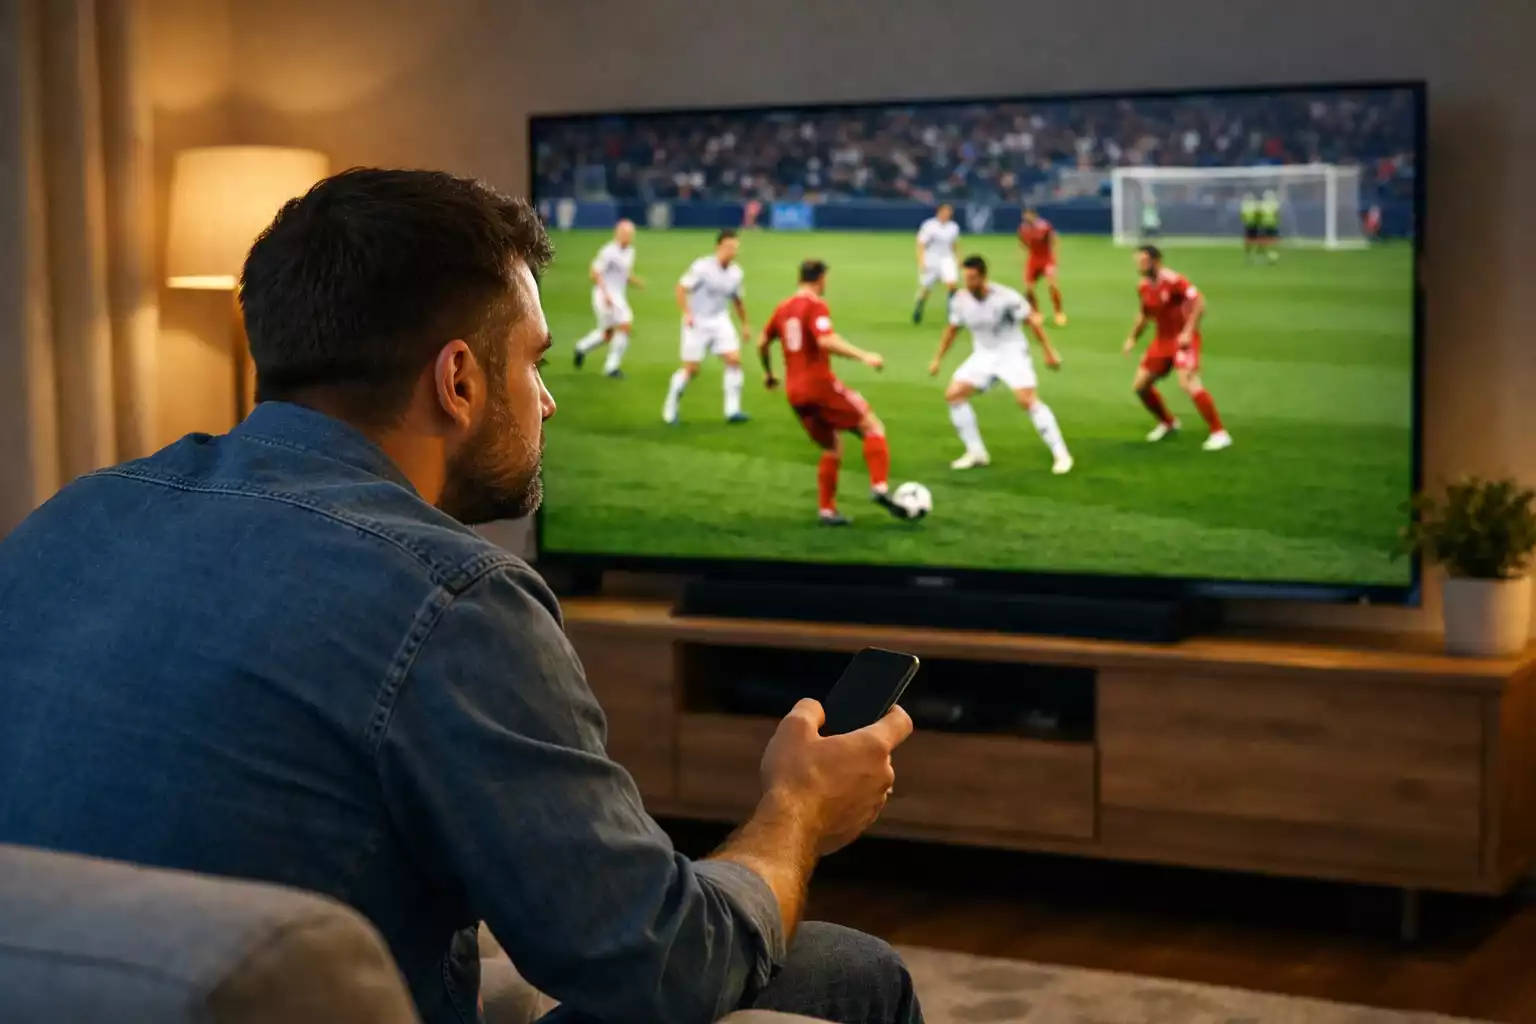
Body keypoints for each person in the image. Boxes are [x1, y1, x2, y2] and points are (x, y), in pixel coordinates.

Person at [0, 169, 922, 1024]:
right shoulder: (453, 598)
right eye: (535, 362)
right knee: (852, 971)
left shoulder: (70, 514)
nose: (548, 402)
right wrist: (794, 809)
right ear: (459, 380)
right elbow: (661, 962)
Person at [762, 260, 912, 526]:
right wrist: (864, 356)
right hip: (819, 386)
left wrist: (769, 373)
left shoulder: (782, 308)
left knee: (833, 446)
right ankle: (879, 487)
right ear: (820, 279)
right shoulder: (815, 305)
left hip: (794, 392)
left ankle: (827, 511)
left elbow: (763, 343)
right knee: (872, 426)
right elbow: (825, 340)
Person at [928, 255, 1073, 475]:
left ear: (984, 276)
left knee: (1027, 400)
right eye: (966, 278)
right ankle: (976, 453)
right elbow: (952, 330)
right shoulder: (960, 299)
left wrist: (1049, 352)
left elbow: (1031, 322)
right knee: (954, 394)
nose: (969, 283)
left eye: (973, 278)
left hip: (1012, 352)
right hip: (983, 355)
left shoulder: (1006, 297)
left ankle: (1061, 454)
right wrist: (938, 359)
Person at [1122, 244, 1232, 451]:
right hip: (1162, 341)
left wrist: (1189, 331)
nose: (1139, 266)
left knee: (1188, 383)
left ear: (1156, 261)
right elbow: (1144, 315)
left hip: (1183, 340)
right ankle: (1169, 423)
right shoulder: (1144, 287)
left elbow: (1200, 302)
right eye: (1138, 262)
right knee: (1140, 386)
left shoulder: (1174, 281)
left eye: (1143, 261)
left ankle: (1219, 433)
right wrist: (1132, 338)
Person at [666, 229, 751, 424]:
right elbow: (681, 288)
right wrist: (686, 313)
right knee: (691, 369)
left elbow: (738, 300)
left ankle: (733, 411)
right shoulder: (702, 267)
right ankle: (670, 410)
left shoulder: (736, 273)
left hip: (720, 320)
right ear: (718, 247)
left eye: (735, 248)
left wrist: (745, 324)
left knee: (734, 361)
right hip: (697, 322)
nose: (732, 251)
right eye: (728, 247)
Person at [572, 219, 643, 378]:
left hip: (617, 296)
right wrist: (606, 295)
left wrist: (635, 282)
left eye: (631, 234)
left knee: (608, 334)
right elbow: (594, 273)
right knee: (625, 325)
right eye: (625, 233)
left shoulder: (630, 251)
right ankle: (611, 367)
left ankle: (581, 347)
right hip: (604, 296)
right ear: (617, 233)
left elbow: (624, 274)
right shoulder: (608, 251)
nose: (628, 236)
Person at [1017, 208, 1067, 327]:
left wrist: (1055, 256)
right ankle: (1036, 312)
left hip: (1046, 260)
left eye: (1028, 215)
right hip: (1033, 260)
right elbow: (1022, 242)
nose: (1025, 218)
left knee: (1052, 285)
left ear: (1034, 216)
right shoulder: (1023, 228)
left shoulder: (1044, 227)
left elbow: (1054, 239)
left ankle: (1059, 313)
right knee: (1029, 288)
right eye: (1024, 216)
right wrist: (1022, 253)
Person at [911, 203, 959, 325]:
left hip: (947, 258)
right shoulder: (929, 226)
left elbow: (954, 244)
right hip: (932, 259)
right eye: (946, 211)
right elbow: (921, 244)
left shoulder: (953, 227)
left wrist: (958, 258)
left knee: (952, 286)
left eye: (950, 212)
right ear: (939, 211)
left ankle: (952, 314)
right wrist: (921, 261)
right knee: (926, 288)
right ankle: (918, 309)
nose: (948, 214)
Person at [1240, 192, 1261, 261]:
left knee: (1249, 241)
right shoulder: (1255, 205)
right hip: (1253, 224)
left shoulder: (1245, 205)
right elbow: (1258, 214)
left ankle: (1248, 255)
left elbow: (1242, 215)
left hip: (1248, 225)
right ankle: (1254, 254)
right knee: (1255, 241)